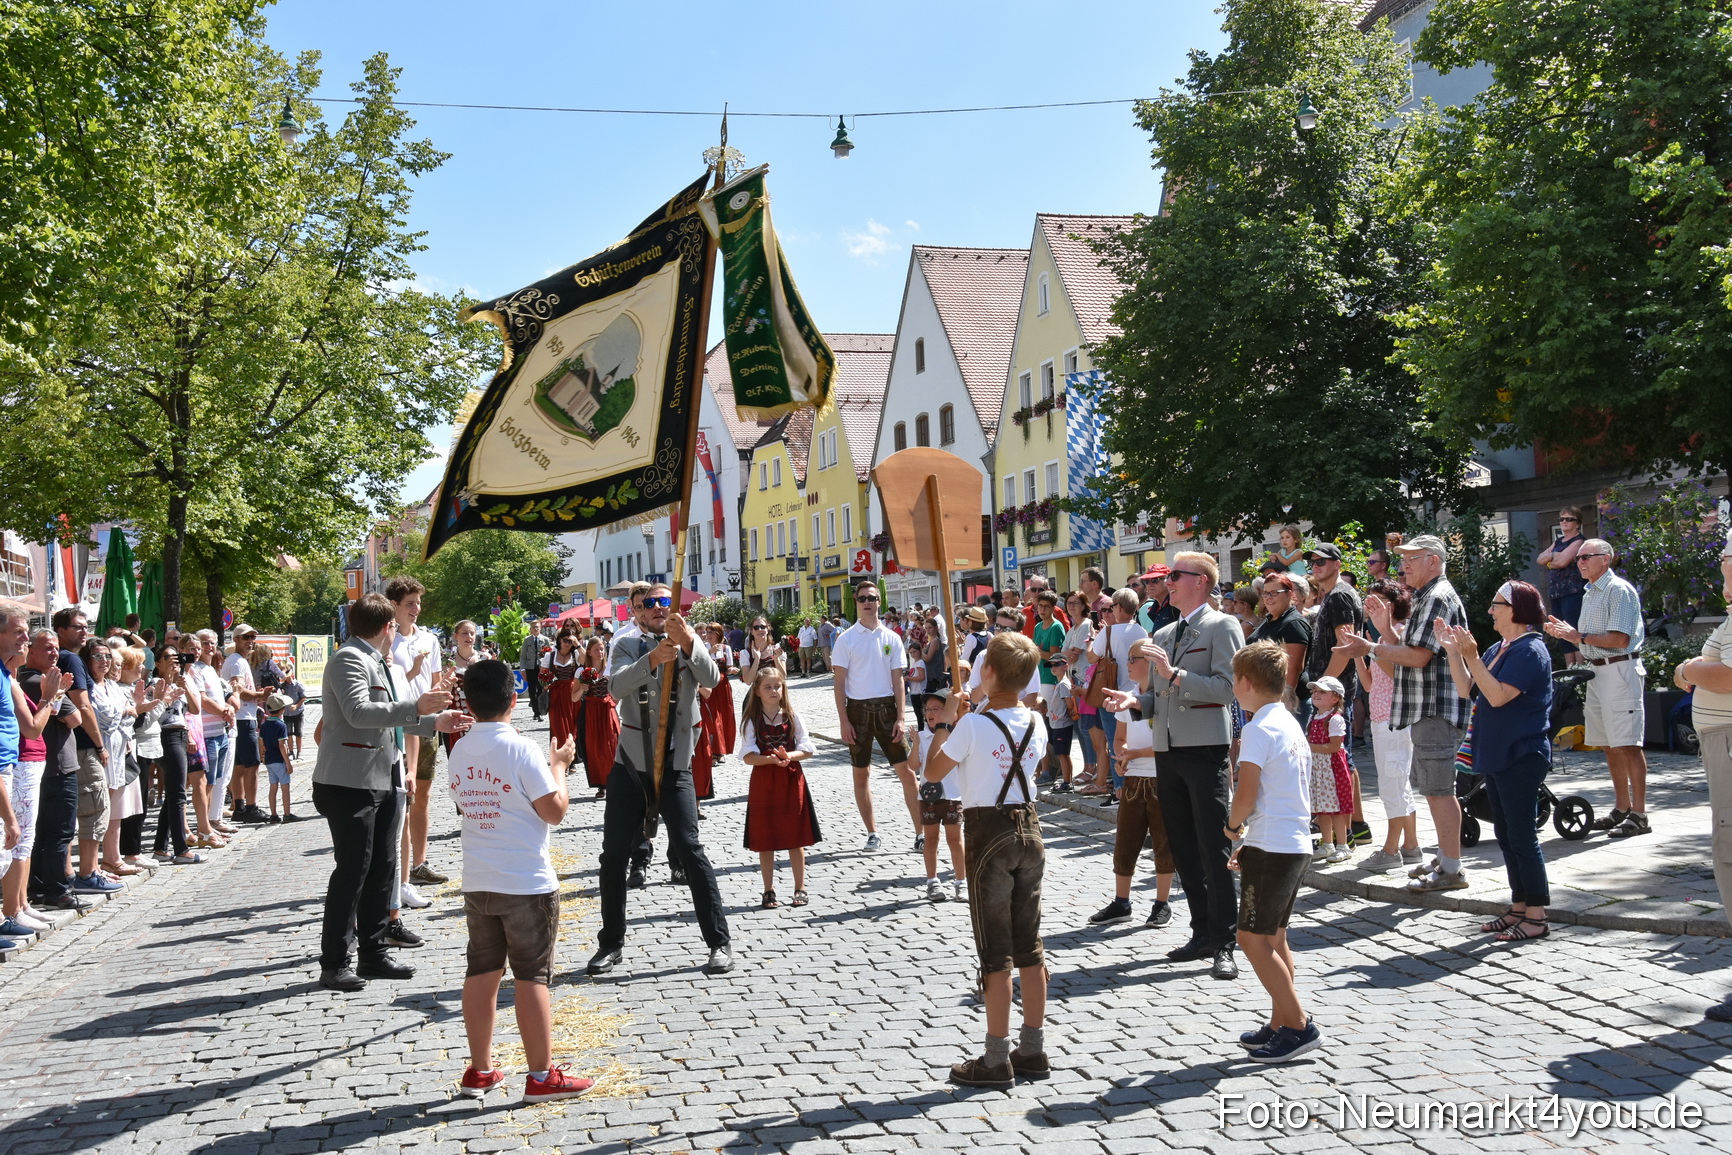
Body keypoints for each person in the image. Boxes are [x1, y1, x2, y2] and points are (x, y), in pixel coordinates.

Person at [448, 658, 594, 1103]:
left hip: (478, 877)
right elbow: (554, 811)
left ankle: (480, 1070)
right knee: (532, 975)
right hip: (525, 880)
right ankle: (540, 1075)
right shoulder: (522, 749)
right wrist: (561, 766)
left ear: (469, 704)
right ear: (514, 699)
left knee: (482, 970)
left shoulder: (459, 749)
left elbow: (464, 806)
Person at [311, 592, 465, 993]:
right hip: (350, 782)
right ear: (386, 627)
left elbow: (392, 722)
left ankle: (373, 952)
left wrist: (434, 722)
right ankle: (334, 962)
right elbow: (359, 714)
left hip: (383, 778)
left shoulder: (378, 661)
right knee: (352, 873)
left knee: (382, 869)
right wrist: (417, 708)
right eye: (396, 623)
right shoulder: (349, 658)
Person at [1103, 551, 1244, 980]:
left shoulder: (1223, 625)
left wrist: (1176, 674)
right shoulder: (1163, 632)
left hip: (1205, 749)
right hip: (1168, 750)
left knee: (1214, 846)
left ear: (1200, 580)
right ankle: (1201, 932)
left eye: (1175, 575)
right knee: (1183, 846)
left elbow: (1227, 689)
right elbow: (1159, 697)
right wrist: (1134, 702)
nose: (1167, 581)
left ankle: (1224, 941)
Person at [922, 633, 1051, 1089]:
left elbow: (931, 773)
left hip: (988, 831)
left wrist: (948, 721)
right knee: (1030, 946)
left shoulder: (973, 725)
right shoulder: (1037, 721)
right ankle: (1032, 1049)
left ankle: (996, 1058)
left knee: (995, 953)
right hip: (1029, 828)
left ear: (989, 673)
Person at [588, 583, 733, 976]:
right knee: (614, 854)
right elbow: (615, 687)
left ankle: (719, 942)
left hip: (674, 763)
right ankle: (611, 944)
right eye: (649, 604)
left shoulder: (688, 641)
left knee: (689, 846)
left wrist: (687, 642)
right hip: (631, 764)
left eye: (664, 602)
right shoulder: (626, 646)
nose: (657, 608)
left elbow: (713, 679)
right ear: (637, 613)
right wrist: (652, 659)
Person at [1334, 534, 1472, 895]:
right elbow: (1407, 657)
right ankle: (1445, 858)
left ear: (1434, 561)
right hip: (1427, 707)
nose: (1403, 565)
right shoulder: (1427, 597)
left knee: (1440, 791)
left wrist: (1372, 646)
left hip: (1436, 707)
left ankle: (1452, 868)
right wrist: (1380, 638)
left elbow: (1418, 657)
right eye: (1403, 559)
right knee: (1433, 789)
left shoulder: (1437, 597)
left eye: (1412, 558)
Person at [1440, 581, 1555, 943]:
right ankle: (1520, 906)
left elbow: (1499, 697)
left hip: (1522, 753)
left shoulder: (1530, 650)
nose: (1490, 610)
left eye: (1497, 604)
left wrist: (1471, 655)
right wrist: (1453, 653)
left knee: (1522, 835)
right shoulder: (1498, 648)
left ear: (1516, 609)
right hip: (1499, 753)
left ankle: (1536, 914)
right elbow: (1468, 690)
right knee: (1506, 834)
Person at [1226, 640, 1323, 1063]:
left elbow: (1246, 793)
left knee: (1250, 939)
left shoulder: (1257, 728)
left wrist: (1232, 827)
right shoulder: (1286, 720)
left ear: (1245, 683)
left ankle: (1299, 1024)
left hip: (1273, 844)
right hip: (1292, 841)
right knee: (1275, 937)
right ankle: (1281, 1019)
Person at [1543, 538, 1650, 838]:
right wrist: (1571, 635)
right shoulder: (1589, 592)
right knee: (1608, 743)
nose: (1579, 562)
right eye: (1577, 558)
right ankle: (1621, 808)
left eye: (1586, 556)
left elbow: (1619, 640)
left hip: (1620, 669)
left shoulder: (1619, 591)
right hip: (1597, 672)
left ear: (1606, 559)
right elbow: (1586, 638)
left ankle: (1640, 814)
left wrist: (1577, 636)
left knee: (1628, 743)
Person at [1674, 539, 1732, 1020]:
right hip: (1721, 739)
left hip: (1728, 739)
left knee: (1731, 850)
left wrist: (1690, 666)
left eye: (1726, 565)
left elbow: (1726, 677)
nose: (1721, 573)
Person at [1087, 651, 1176, 930]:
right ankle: (1121, 902)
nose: (1127, 662)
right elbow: (1119, 738)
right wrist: (1123, 756)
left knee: (1164, 845)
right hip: (1135, 780)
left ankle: (1162, 904)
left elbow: (1169, 745)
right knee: (1125, 843)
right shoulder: (1127, 695)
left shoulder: (1167, 697)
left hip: (1163, 779)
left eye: (1133, 657)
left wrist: (1134, 753)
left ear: (1150, 664)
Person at [831, 580, 919, 852]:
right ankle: (872, 832)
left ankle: (921, 832)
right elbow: (839, 684)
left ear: (879, 601)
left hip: (887, 711)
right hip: (857, 712)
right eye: (862, 599)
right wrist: (844, 721)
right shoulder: (846, 639)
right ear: (856, 603)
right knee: (861, 774)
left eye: (871, 597)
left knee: (906, 771)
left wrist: (902, 717)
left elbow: (898, 682)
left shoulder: (891, 637)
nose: (867, 602)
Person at [1351, 580, 1422, 872]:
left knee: (1392, 785)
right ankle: (1411, 846)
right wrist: (1358, 652)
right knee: (1397, 783)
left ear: (1392, 605)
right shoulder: (1379, 638)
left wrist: (1376, 644)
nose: (1369, 605)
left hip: (1395, 721)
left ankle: (1391, 850)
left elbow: (1398, 674)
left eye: (1376, 600)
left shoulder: (1400, 634)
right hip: (1382, 718)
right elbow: (1370, 684)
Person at [739, 666, 819, 909]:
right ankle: (768, 889)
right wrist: (771, 760)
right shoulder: (751, 721)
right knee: (766, 837)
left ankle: (800, 887)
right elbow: (748, 756)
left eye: (777, 686)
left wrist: (788, 757)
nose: (774, 690)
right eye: (768, 687)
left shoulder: (793, 716)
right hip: (764, 781)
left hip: (791, 779)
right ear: (758, 691)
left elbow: (807, 749)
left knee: (796, 836)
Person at [386, 579, 446, 893]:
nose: (416, 608)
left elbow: (434, 683)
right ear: (394, 606)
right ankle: (399, 868)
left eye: (418, 602)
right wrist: (413, 671)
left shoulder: (429, 639)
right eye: (410, 603)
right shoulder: (386, 640)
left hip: (426, 723)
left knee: (422, 795)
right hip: (398, 721)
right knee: (403, 798)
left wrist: (443, 691)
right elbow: (394, 685)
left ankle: (419, 864)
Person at [1087, 589, 1150, 806]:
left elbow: (1091, 656)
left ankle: (1119, 790)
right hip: (1138, 694)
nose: (1111, 610)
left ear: (1120, 608)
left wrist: (1093, 639)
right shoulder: (1142, 631)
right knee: (1135, 740)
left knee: (1116, 742)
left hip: (1113, 694)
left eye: (1113, 606)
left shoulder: (1108, 632)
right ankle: (1133, 786)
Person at [221, 626, 269, 824]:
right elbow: (237, 691)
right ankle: (251, 807)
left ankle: (239, 806)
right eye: (246, 638)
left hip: (240, 718)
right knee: (252, 764)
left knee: (239, 765)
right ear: (237, 640)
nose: (251, 641)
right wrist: (260, 695)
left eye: (253, 638)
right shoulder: (238, 662)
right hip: (242, 718)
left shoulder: (236, 661)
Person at [1304, 676, 1354, 865]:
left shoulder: (1335, 719)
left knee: (1336, 810)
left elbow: (1334, 747)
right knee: (1322, 809)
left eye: (1322, 691)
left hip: (1331, 769)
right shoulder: (1314, 717)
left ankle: (1342, 845)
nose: (1316, 694)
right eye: (1315, 691)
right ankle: (1327, 844)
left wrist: (1309, 747)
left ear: (1335, 698)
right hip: (1318, 769)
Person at [1538, 507, 1589, 664]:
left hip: (1572, 592)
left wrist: (1552, 560)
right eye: (1562, 519)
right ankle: (1569, 672)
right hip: (1556, 593)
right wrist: (1553, 556)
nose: (1564, 522)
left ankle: (1580, 671)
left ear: (1578, 523)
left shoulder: (1579, 541)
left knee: (1572, 630)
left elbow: (1562, 562)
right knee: (1561, 633)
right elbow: (1540, 559)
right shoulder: (1559, 542)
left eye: (1569, 519)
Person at [575, 636, 621, 797]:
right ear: (589, 652)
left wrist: (612, 701)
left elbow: (620, 690)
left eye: (602, 649)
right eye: (596, 649)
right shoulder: (582, 671)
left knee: (612, 745)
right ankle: (601, 784)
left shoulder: (611, 669)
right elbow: (574, 697)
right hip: (591, 710)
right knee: (594, 747)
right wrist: (582, 688)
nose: (600, 652)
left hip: (607, 709)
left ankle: (614, 781)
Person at [1249, 574, 1310, 693]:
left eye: (1274, 592)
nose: (1268, 597)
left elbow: (1294, 668)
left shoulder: (1294, 624)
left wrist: (1285, 701)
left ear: (1290, 594)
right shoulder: (1270, 619)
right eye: (1265, 593)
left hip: (1286, 700)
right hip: (1263, 696)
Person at [543, 629, 583, 753]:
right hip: (556, 694)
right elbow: (542, 675)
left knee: (573, 724)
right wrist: (545, 683)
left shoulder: (576, 655)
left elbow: (586, 660)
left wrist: (578, 645)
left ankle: (572, 757)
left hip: (572, 694)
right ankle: (559, 755)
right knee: (557, 725)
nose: (567, 643)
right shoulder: (550, 656)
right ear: (559, 640)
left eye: (570, 641)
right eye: (565, 640)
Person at [260, 692, 296, 822]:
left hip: (269, 759)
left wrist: (262, 757)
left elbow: (261, 742)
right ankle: (287, 813)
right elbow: (282, 745)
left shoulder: (264, 725)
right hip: (279, 760)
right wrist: (288, 762)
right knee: (285, 787)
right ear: (281, 709)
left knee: (273, 787)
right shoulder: (281, 725)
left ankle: (274, 814)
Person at [738, 615, 785, 686]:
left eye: (763, 627)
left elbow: (783, 677)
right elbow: (748, 681)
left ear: (767, 629)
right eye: (756, 627)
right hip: (757, 693)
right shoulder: (745, 653)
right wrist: (756, 659)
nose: (760, 629)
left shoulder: (777, 649)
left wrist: (776, 659)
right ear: (751, 631)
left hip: (775, 692)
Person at [519, 626, 552, 722]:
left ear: (540, 628)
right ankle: (536, 712)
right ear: (531, 629)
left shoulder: (545, 639)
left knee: (541, 689)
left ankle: (540, 710)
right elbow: (523, 656)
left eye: (537, 627)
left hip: (541, 667)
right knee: (532, 690)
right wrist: (523, 669)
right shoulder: (527, 640)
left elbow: (550, 653)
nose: (536, 629)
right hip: (530, 668)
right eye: (534, 627)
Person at [1136, 567, 1178, 635]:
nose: (1150, 584)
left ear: (1168, 580)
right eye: (1146, 581)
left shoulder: (1176, 605)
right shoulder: (1153, 609)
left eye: (1155, 580)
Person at [279, 662, 308, 759]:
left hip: (297, 712)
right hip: (287, 713)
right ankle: (291, 752)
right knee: (289, 733)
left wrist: (296, 705)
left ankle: (299, 752)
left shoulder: (298, 685)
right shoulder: (282, 686)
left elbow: (303, 697)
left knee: (298, 732)